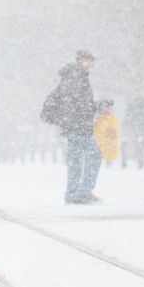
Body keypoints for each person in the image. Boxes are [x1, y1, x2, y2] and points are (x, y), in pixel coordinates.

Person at [53, 50, 101, 204]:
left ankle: (72, 194)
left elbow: (75, 102)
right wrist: (95, 107)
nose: (92, 65)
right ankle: (84, 192)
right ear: (81, 60)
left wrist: (96, 106)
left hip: (72, 125)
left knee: (74, 160)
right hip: (78, 126)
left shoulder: (71, 76)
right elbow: (78, 104)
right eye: (90, 61)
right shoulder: (77, 77)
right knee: (94, 154)